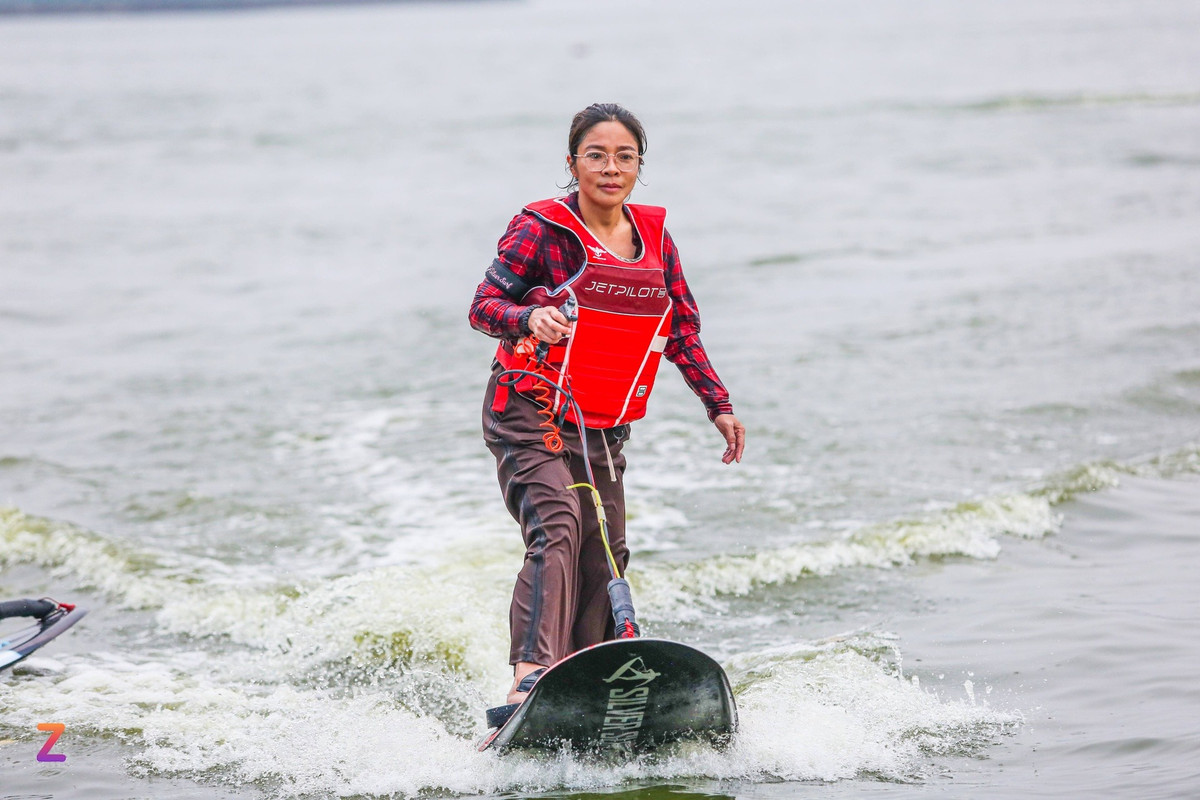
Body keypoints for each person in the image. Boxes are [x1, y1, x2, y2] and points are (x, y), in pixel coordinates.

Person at [468, 103, 745, 715]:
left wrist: (717, 404)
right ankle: (530, 674)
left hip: (600, 425)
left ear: (640, 167)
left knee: (606, 548)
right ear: (572, 164)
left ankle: (584, 676)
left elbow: (682, 330)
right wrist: (527, 316)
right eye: (596, 155)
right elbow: (483, 305)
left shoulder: (655, 242)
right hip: (528, 407)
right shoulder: (542, 228)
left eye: (625, 156)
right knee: (558, 525)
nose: (610, 168)